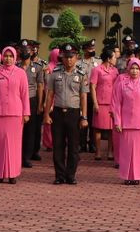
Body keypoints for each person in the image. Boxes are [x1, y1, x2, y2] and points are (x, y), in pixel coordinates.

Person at [0, 46, 30, 184]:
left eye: (11, 56)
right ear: (2, 57)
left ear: (15, 57)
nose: (8, 59)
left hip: (15, 113)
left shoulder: (21, 73)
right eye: (6, 56)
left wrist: (26, 112)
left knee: (14, 144)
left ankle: (12, 173)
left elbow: (24, 94)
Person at [45, 48, 87, 185]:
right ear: (62, 58)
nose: (69, 60)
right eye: (66, 57)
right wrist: (46, 114)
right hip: (57, 112)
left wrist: (84, 117)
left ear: (76, 58)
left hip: (73, 114)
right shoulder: (55, 74)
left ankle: (71, 175)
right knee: (58, 146)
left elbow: (83, 97)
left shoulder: (81, 74)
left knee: (74, 147)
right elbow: (50, 94)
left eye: (71, 57)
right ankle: (59, 175)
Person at [111, 57, 140, 185]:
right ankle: (126, 176)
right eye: (132, 68)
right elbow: (116, 104)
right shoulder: (122, 84)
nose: (134, 71)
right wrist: (117, 122)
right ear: (128, 69)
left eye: (137, 68)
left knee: (139, 153)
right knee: (126, 152)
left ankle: (137, 176)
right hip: (126, 124)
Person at [89, 46, 119, 162]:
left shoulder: (115, 71)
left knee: (112, 129)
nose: (115, 59)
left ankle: (110, 151)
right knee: (98, 128)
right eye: (114, 57)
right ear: (108, 58)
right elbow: (92, 86)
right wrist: (95, 102)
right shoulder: (97, 70)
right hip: (100, 102)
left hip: (111, 103)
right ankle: (98, 151)